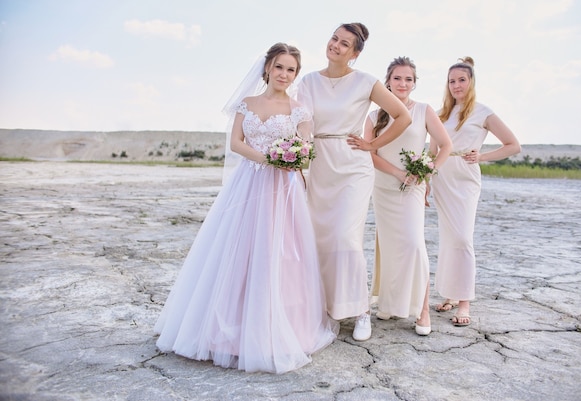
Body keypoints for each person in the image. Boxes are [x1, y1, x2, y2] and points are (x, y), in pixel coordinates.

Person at [154, 42, 338, 374]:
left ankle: (276, 328)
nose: (284, 74)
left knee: (280, 253)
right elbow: (236, 143)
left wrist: (292, 156)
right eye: (279, 66)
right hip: (248, 183)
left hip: (283, 189)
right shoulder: (247, 103)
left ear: (295, 74)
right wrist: (269, 157)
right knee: (235, 250)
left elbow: (307, 148)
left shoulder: (299, 110)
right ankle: (224, 331)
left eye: (291, 69)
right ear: (268, 67)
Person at [296, 23, 412, 342]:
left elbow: (403, 116)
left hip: (353, 166)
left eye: (344, 43)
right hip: (320, 165)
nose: (335, 45)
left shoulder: (366, 81)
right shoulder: (307, 82)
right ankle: (328, 309)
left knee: (345, 239)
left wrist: (373, 145)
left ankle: (361, 311)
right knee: (321, 240)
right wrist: (299, 156)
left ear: (355, 53)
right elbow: (304, 124)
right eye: (333, 38)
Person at [429, 57, 521, 326]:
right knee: (448, 237)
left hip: (466, 178)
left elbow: (513, 145)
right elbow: (431, 152)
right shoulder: (440, 114)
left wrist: (481, 156)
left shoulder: (482, 112)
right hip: (442, 178)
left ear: (471, 82)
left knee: (462, 237)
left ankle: (465, 300)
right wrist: (426, 181)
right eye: (452, 81)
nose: (456, 85)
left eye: (461, 80)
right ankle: (449, 293)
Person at [365, 57, 452, 336]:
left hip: (413, 187)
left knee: (415, 246)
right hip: (384, 187)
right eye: (397, 78)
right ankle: (390, 304)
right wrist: (396, 173)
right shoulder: (373, 116)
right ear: (387, 81)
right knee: (391, 248)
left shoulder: (424, 111)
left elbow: (446, 146)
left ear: (414, 83)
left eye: (408, 79)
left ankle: (423, 309)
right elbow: (369, 153)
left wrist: (427, 172)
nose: (403, 84)